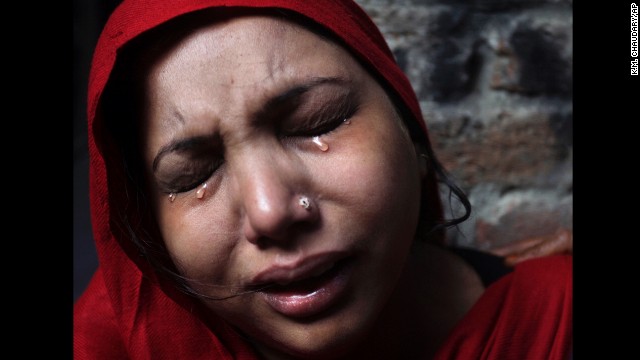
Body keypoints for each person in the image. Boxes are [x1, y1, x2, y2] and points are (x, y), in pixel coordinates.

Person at [73, 1, 572, 359]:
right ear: (152, 239)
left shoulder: (557, 321)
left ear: (413, 135)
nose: (271, 211)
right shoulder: (107, 343)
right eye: (194, 175)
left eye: (318, 122)